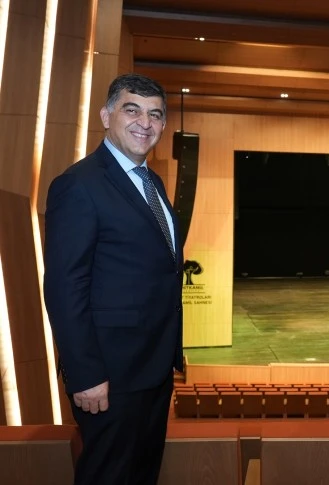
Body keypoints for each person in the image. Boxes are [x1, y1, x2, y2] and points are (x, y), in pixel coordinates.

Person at [44, 73, 183, 485]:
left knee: (141, 475)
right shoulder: (78, 185)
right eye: (132, 110)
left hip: (152, 370)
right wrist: (85, 375)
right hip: (109, 375)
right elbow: (65, 287)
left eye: (155, 114)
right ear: (106, 116)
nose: (145, 122)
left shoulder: (152, 181)